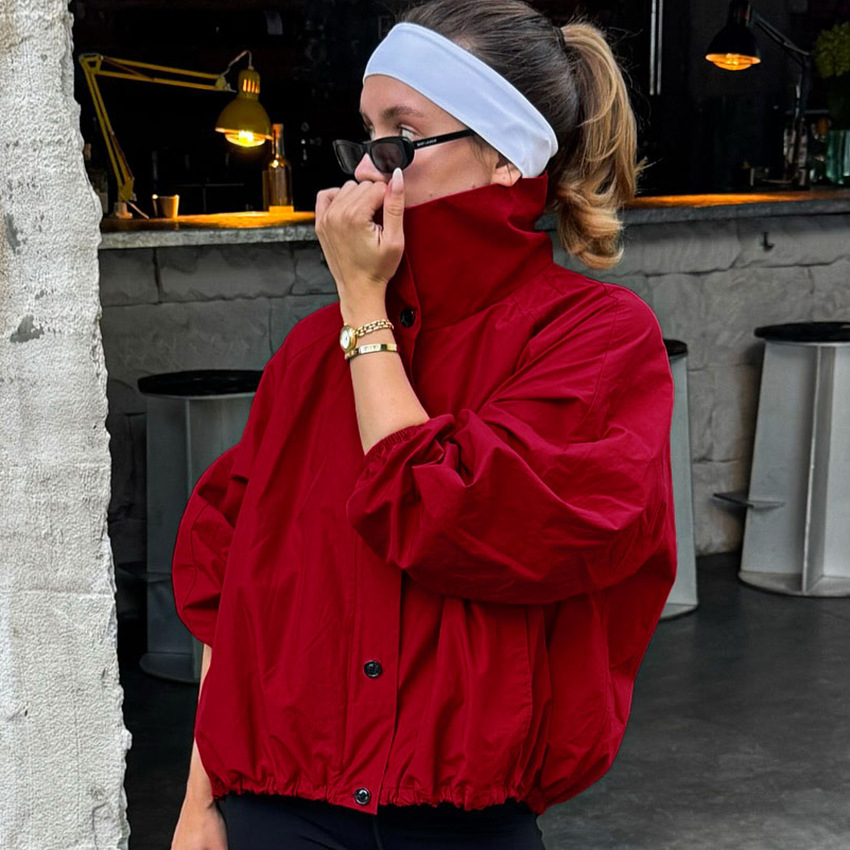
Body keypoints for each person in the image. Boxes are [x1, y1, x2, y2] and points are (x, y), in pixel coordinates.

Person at [169, 2, 677, 848]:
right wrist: (198, 804)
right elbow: (232, 590)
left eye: (402, 137)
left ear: (509, 157)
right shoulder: (312, 353)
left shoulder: (593, 338)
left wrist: (362, 309)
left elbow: (450, 509)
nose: (370, 171)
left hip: (463, 822)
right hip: (275, 809)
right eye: (367, 135)